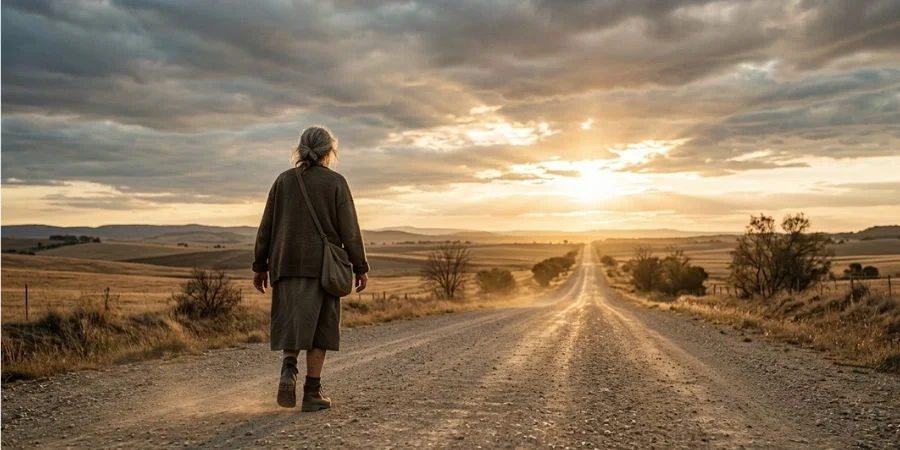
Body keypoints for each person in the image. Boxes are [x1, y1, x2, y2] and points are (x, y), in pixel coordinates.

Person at [252, 125, 369, 410]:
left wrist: (260, 265)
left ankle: (288, 369)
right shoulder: (336, 183)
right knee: (321, 329)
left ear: (301, 150)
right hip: (323, 268)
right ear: (329, 151)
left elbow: (266, 226)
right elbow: (349, 229)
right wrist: (360, 266)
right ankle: (312, 393)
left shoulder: (282, 181)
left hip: (285, 263)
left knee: (292, 322)